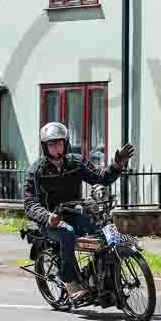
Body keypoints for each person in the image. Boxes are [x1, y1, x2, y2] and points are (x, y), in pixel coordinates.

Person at [24, 122, 135, 301]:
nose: (56, 147)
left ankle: (100, 274)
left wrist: (117, 165)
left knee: (103, 228)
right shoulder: (36, 171)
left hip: (75, 213)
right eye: (52, 144)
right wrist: (47, 216)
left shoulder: (76, 162)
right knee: (67, 234)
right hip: (52, 220)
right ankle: (70, 283)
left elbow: (101, 178)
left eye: (60, 143)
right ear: (45, 147)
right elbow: (30, 203)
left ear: (66, 143)